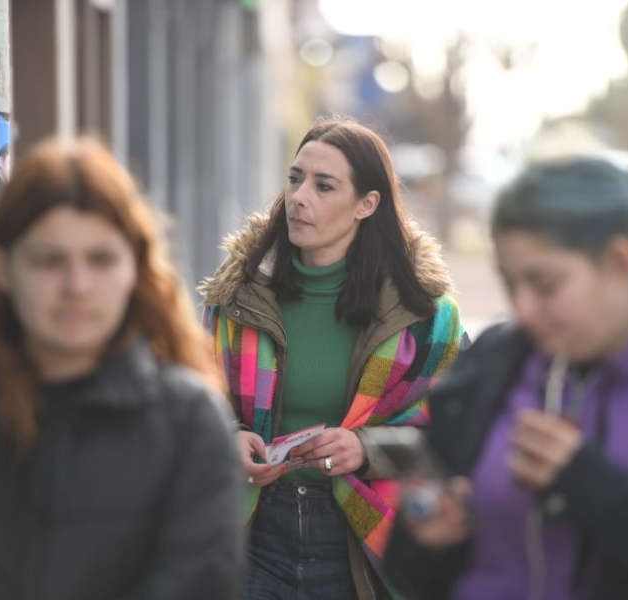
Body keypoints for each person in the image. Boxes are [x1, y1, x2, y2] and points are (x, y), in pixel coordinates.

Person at [384, 155, 628, 599]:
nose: (523, 310)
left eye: (545, 284)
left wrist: (596, 488)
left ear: (619, 260)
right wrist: (424, 539)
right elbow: (413, 571)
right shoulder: (498, 359)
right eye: (510, 284)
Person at [0, 136, 244, 598]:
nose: (77, 286)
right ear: (0, 267)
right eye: (49, 260)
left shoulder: (191, 426)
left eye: (100, 259)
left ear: (134, 267)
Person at [200, 117, 466, 599]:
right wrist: (229, 438)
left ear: (367, 204)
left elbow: (463, 435)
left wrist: (367, 448)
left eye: (324, 186)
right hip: (251, 531)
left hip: (360, 537)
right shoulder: (236, 297)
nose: (300, 198)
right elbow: (192, 399)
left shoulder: (424, 317)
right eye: (296, 178)